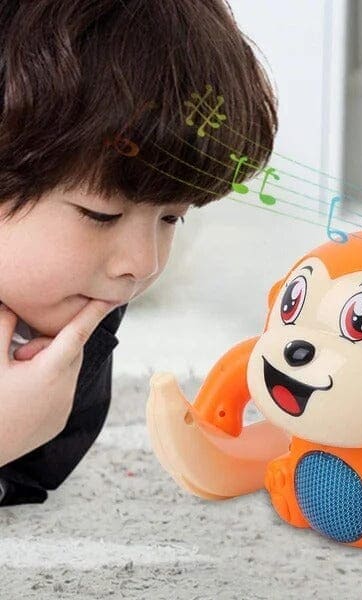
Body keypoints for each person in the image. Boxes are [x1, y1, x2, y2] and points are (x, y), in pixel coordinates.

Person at [0, 0, 277, 505]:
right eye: (100, 215)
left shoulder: (81, 322)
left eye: (172, 218)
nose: (144, 263)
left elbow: (36, 472)